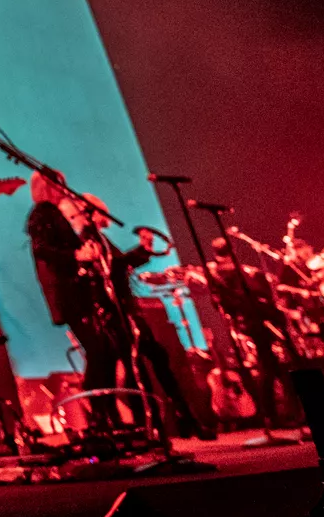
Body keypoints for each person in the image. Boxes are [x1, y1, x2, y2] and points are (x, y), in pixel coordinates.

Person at [26, 174, 203, 439]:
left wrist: (143, 250)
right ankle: (130, 421)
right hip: (100, 307)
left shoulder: (94, 239)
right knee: (120, 360)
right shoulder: (62, 229)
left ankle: (178, 415)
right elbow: (51, 255)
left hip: (119, 306)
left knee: (151, 356)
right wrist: (79, 258)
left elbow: (118, 264)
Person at [205, 236, 293, 426]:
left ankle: (279, 412)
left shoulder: (240, 270)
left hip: (259, 318)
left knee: (273, 366)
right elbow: (223, 301)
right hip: (251, 320)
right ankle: (271, 414)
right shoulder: (216, 272)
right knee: (268, 366)